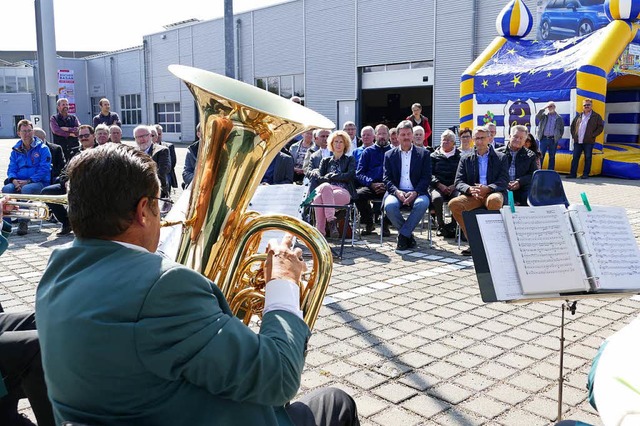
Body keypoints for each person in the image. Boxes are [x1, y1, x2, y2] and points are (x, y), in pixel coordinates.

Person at [35, 144, 359, 426]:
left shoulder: (57, 271)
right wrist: (284, 283)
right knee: (337, 401)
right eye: (159, 204)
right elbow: (278, 378)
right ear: (142, 212)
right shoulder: (164, 287)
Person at [448, 126, 509, 256]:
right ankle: (475, 242)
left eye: (482, 138)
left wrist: (488, 188)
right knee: (454, 204)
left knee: (494, 200)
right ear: (473, 140)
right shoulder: (466, 158)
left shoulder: (501, 157)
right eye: (476, 138)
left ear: (489, 138)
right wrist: (469, 189)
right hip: (473, 195)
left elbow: (504, 180)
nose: (479, 141)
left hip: (492, 192)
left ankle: (493, 242)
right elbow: (458, 181)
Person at [383, 120, 431, 250]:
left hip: (417, 192)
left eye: (408, 134)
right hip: (396, 191)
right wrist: (397, 192)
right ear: (397, 137)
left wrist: (415, 192)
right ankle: (408, 235)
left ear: (412, 136)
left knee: (422, 203)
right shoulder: (389, 155)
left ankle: (403, 236)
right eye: (403, 134)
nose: (406, 137)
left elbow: (426, 177)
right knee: (390, 206)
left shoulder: (424, 154)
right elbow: (386, 178)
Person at [41, 125, 97, 235]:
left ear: (93, 136)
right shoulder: (74, 153)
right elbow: (64, 172)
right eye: (81, 136)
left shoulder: (101, 151)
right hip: (71, 186)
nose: (83, 138)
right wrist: (66, 181)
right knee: (46, 192)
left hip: (90, 187)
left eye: (86, 135)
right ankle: (67, 222)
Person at [2, 119, 52, 236]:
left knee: (26, 190)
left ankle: (23, 222)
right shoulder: (15, 150)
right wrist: (14, 181)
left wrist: (28, 181)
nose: (27, 134)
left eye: (29, 131)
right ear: (19, 133)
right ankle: (5, 225)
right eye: (24, 131)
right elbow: (11, 168)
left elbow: (44, 169)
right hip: (18, 182)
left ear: (33, 132)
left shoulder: (43, 149)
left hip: (39, 182)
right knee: (6, 190)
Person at [312, 131, 356, 238]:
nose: (338, 144)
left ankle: (320, 234)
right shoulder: (325, 161)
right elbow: (320, 179)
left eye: (341, 142)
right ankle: (330, 224)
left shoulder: (350, 159)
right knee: (319, 196)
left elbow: (349, 176)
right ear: (331, 144)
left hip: (343, 192)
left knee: (319, 196)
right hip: (327, 191)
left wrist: (331, 176)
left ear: (345, 145)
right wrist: (331, 177)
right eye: (336, 141)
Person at [355, 124, 392, 236]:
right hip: (371, 185)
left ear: (389, 135)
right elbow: (359, 173)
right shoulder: (367, 152)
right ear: (375, 136)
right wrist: (371, 183)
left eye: (384, 134)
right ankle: (369, 223)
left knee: (396, 198)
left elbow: (398, 174)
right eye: (379, 134)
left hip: (389, 187)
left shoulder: (394, 152)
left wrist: (386, 185)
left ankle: (386, 224)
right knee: (358, 195)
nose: (382, 136)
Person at [496, 125, 539, 206]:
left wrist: (519, 182)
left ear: (525, 140)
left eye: (521, 138)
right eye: (515, 136)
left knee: (532, 199)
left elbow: (533, 175)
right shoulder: (497, 153)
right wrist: (504, 183)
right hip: (501, 189)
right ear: (509, 136)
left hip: (522, 189)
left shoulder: (530, 155)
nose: (517, 140)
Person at [430, 130, 461, 238]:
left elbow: (461, 174)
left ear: (454, 143)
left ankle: (454, 224)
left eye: (449, 140)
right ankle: (440, 224)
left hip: (454, 186)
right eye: (444, 140)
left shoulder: (460, 156)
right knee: (437, 198)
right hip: (438, 186)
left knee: (458, 199)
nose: (445, 142)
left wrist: (454, 185)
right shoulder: (433, 156)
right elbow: (429, 174)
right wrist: (439, 185)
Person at [568, 98, 604, 179]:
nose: (586, 106)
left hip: (588, 141)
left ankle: (585, 174)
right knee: (575, 158)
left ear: (591, 106)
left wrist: (593, 135)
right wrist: (574, 136)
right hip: (578, 141)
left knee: (588, 158)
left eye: (588, 105)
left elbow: (600, 127)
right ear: (583, 106)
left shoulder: (596, 116)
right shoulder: (579, 116)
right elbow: (573, 126)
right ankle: (573, 174)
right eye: (585, 105)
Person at [134, 125, 171, 198]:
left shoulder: (161, 150)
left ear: (151, 136)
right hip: (137, 193)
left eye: (144, 135)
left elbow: (162, 171)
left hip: (156, 191)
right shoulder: (133, 152)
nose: (142, 139)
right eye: (138, 137)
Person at [536, 101, 564, 170]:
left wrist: (557, 137)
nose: (550, 108)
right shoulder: (544, 116)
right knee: (541, 156)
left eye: (551, 106)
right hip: (543, 139)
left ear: (554, 107)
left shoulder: (559, 118)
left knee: (552, 156)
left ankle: (550, 171)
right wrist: (544, 107)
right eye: (549, 107)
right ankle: (539, 170)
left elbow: (561, 129)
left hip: (553, 140)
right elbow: (537, 115)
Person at [303, 129, 331, 194]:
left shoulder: (337, 152)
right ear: (316, 138)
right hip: (317, 185)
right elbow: (308, 171)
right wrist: (315, 172)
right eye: (323, 136)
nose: (325, 138)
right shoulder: (314, 155)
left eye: (327, 136)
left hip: (334, 184)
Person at [155, 124, 178, 191]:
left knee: (166, 178)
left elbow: (172, 163)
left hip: (166, 174)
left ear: (162, 134)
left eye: (159, 134)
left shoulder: (169, 147)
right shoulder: (147, 147)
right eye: (155, 134)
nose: (157, 136)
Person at [183, 123, 202, 188]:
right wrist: (199, 180)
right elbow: (186, 174)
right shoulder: (191, 150)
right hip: (197, 187)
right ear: (198, 134)